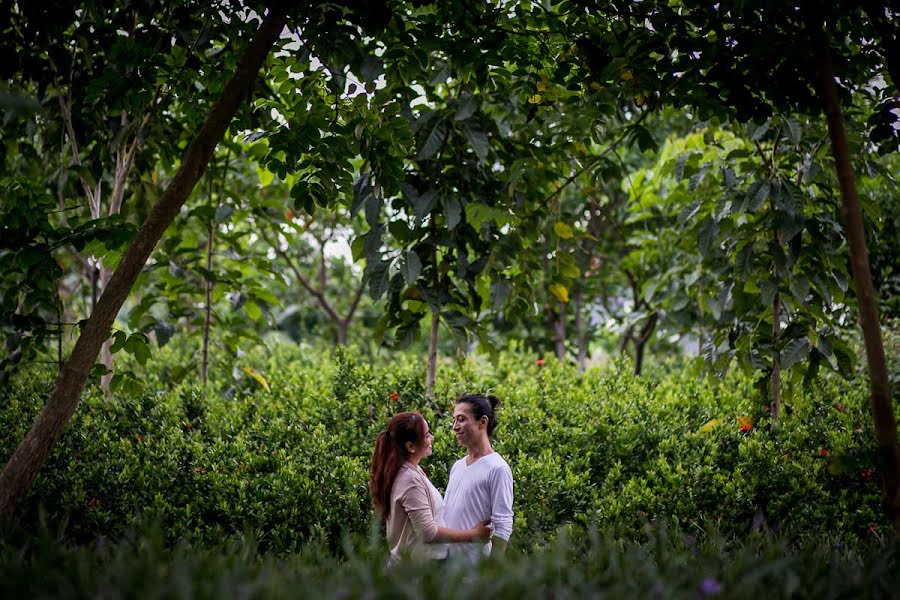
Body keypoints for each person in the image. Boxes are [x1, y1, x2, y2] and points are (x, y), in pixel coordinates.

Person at [369, 411, 492, 565]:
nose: (431, 438)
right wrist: (474, 535)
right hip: (415, 572)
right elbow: (428, 533)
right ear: (411, 446)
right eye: (427, 435)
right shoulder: (409, 479)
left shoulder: (411, 470)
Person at [443, 393, 514, 562]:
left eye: (461, 419)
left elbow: (503, 524)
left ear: (482, 422)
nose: (455, 426)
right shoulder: (458, 466)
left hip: (473, 569)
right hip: (446, 565)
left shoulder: (497, 468)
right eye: (454, 420)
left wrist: (491, 571)